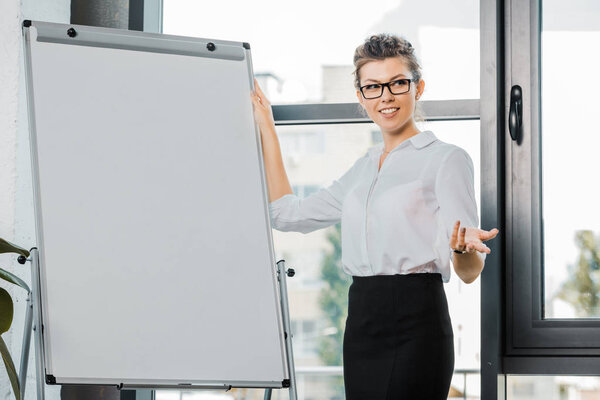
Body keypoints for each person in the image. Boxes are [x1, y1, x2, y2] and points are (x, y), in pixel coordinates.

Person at [250, 33, 499, 400]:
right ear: (361, 97)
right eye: (372, 87)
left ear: (418, 88)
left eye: (398, 83)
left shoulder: (446, 159)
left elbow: (470, 271)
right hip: (362, 319)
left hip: (418, 321)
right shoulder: (362, 170)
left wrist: (463, 251)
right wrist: (268, 130)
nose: (385, 96)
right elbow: (288, 215)